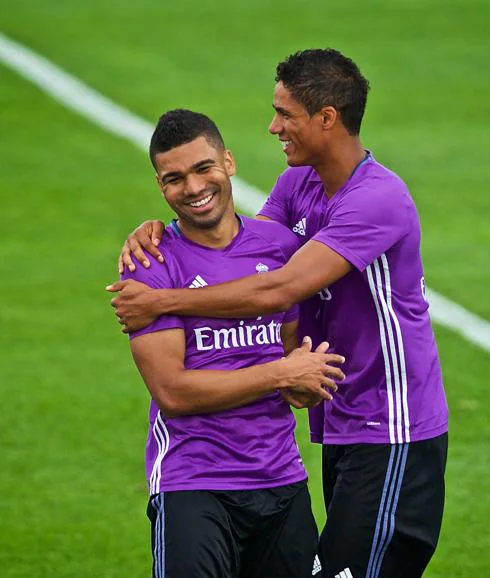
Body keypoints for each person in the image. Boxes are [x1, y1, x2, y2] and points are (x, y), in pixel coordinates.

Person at [108, 49, 449, 578]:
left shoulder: (378, 198)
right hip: (341, 417)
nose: (273, 126)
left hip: (393, 426)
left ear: (327, 118)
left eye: (285, 114)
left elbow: (277, 287)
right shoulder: (299, 183)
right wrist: (161, 233)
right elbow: (243, 253)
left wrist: (162, 300)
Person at [114, 108, 347, 578]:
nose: (194, 188)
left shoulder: (280, 249)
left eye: (204, 168)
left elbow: (290, 357)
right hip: (194, 483)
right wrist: (280, 375)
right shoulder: (150, 263)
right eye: (175, 178)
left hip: (281, 478)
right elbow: (174, 393)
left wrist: (300, 383)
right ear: (162, 188)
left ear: (229, 162)